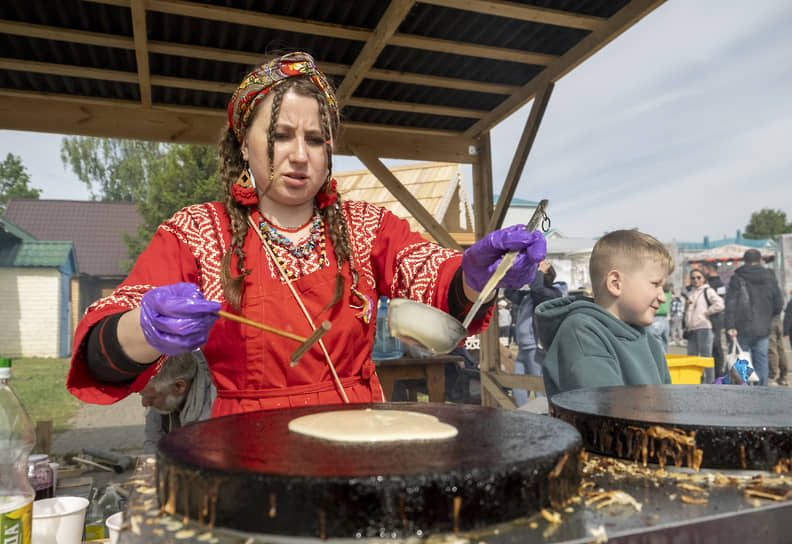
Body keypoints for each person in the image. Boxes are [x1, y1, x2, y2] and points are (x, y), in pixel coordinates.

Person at [65, 51, 547, 417]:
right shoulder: (196, 232)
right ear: (244, 144)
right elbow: (101, 350)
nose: (300, 155)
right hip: (245, 444)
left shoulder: (368, 226)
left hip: (357, 431)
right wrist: (145, 330)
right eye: (280, 135)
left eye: (315, 139)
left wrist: (477, 273)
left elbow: (438, 288)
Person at [536, 230, 673, 398]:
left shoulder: (648, 340)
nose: (662, 297)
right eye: (655, 284)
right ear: (615, 283)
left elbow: (665, 401)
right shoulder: (581, 333)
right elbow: (609, 412)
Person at [724, 249, 783, 386]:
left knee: (742, 357)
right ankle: (762, 389)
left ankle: (744, 388)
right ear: (760, 260)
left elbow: (731, 304)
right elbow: (778, 304)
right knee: (762, 359)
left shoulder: (738, 277)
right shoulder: (770, 277)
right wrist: (768, 316)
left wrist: (730, 326)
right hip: (763, 327)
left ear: (744, 261)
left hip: (741, 326)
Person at [140, 351, 215, 453]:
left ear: (179, 387)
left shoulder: (214, 403)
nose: (144, 403)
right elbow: (153, 444)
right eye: (143, 396)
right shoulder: (160, 394)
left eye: (151, 398)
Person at [510, 260, 562, 406]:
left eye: (536, 272)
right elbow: (509, 293)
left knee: (539, 385)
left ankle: (546, 414)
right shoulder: (529, 295)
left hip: (536, 347)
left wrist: (539, 271)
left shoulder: (552, 293)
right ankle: (523, 412)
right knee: (518, 384)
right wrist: (516, 273)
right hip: (523, 347)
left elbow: (537, 289)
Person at [684, 270, 724, 383]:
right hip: (691, 329)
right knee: (691, 357)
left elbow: (720, 304)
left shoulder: (708, 291)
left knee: (706, 357)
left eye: (698, 277)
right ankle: (695, 380)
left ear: (703, 279)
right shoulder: (690, 292)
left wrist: (707, 312)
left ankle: (710, 382)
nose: (695, 280)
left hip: (704, 327)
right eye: (693, 278)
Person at [701, 262, 726, 377]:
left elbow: (721, 301)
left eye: (703, 269)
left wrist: (707, 311)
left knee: (715, 345)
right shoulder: (706, 283)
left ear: (709, 269)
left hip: (715, 318)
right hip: (706, 319)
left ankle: (718, 372)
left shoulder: (718, 284)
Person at [646, 282, 671, 353]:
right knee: (664, 342)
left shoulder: (658, 290)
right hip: (665, 319)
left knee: (656, 343)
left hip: (656, 317)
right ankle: (666, 360)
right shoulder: (668, 290)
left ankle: (660, 361)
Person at [767, 311, 790, 386]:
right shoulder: (779, 298)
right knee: (781, 350)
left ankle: (771, 375)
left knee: (772, 350)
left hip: (770, 321)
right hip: (778, 321)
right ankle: (784, 376)